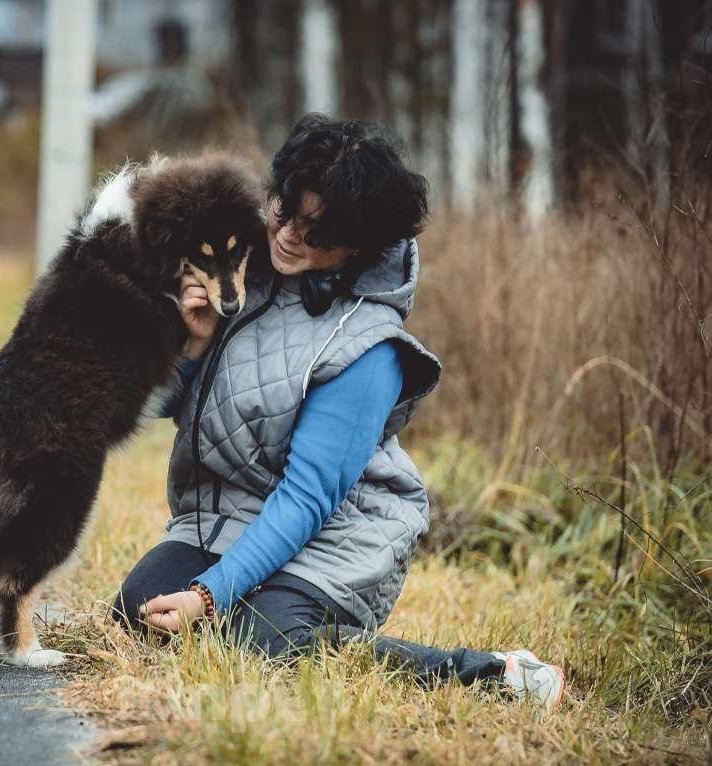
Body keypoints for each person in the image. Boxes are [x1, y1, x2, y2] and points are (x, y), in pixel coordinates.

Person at [113, 114, 565, 710]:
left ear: (358, 245)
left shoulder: (368, 347)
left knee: (260, 646)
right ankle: (249, 607)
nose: (289, 236)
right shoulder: (241, 271)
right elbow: (162, 409)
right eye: (284, 210)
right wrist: (192, 344)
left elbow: (306, 500)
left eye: (316, 231)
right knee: (136, 609)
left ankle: (490, 675)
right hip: (229, 523)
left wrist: (208, 594)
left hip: (334, 540)